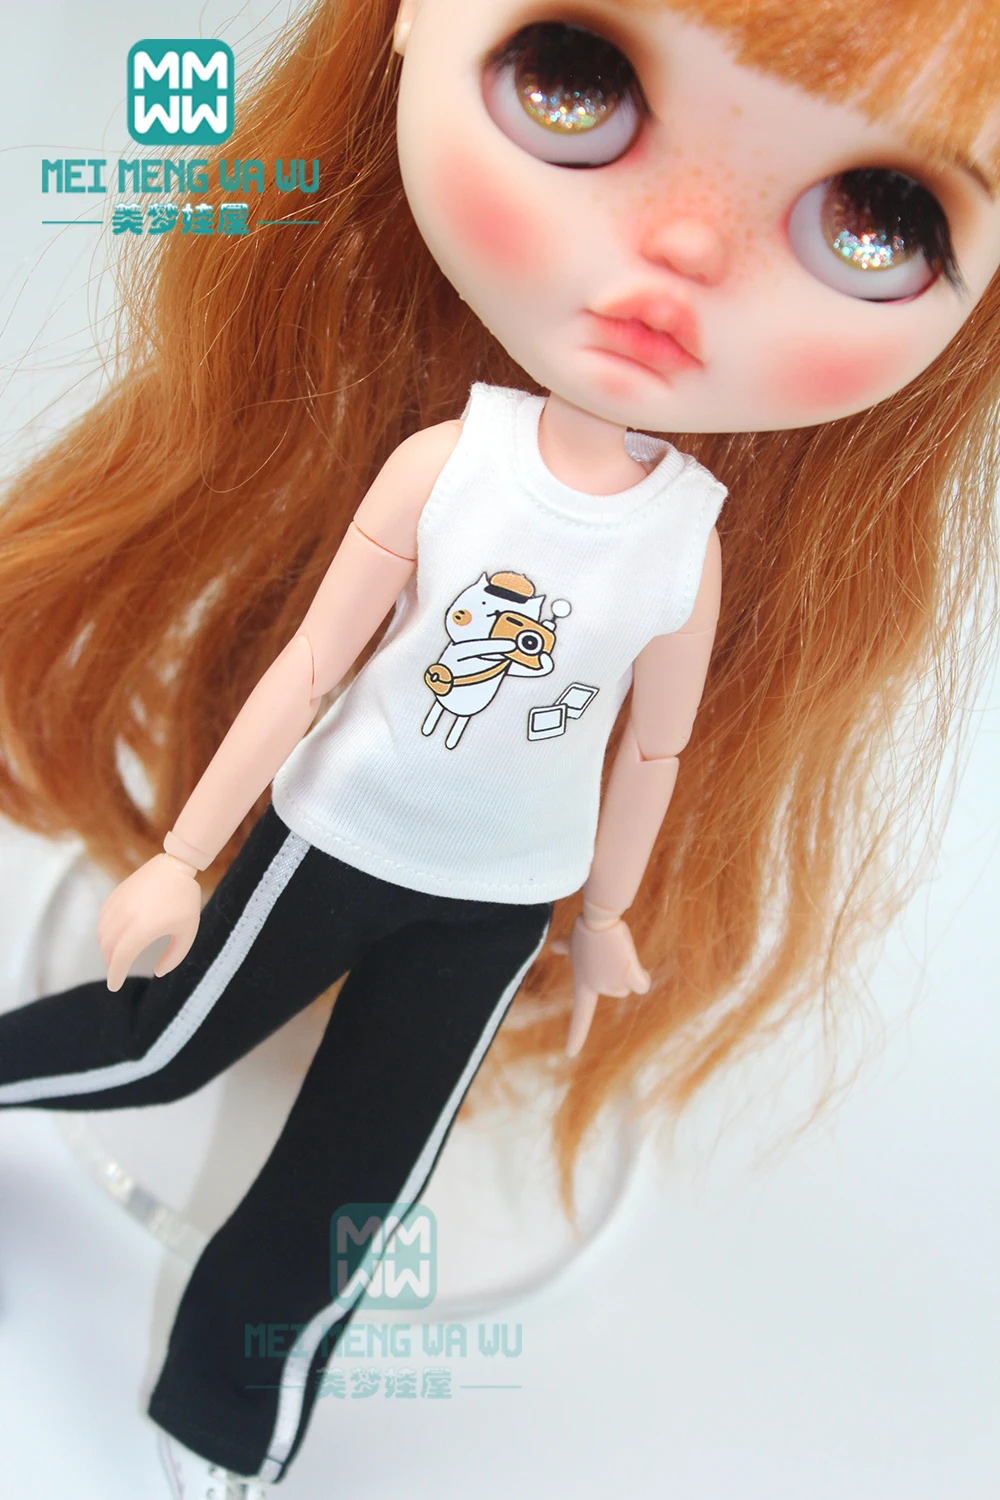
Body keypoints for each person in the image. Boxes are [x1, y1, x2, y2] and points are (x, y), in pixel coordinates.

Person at [1, 0, 999, 1492]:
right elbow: (311, 667)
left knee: (359, 1180)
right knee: (156, 1042)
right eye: (573, 78)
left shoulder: (687, 542)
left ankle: (223, 1425)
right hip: (337, 838)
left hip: (496, 901)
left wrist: (603, 917)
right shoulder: (449, 467)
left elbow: (652, 752)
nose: (684, 252)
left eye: (880, 219)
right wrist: (185, 856)